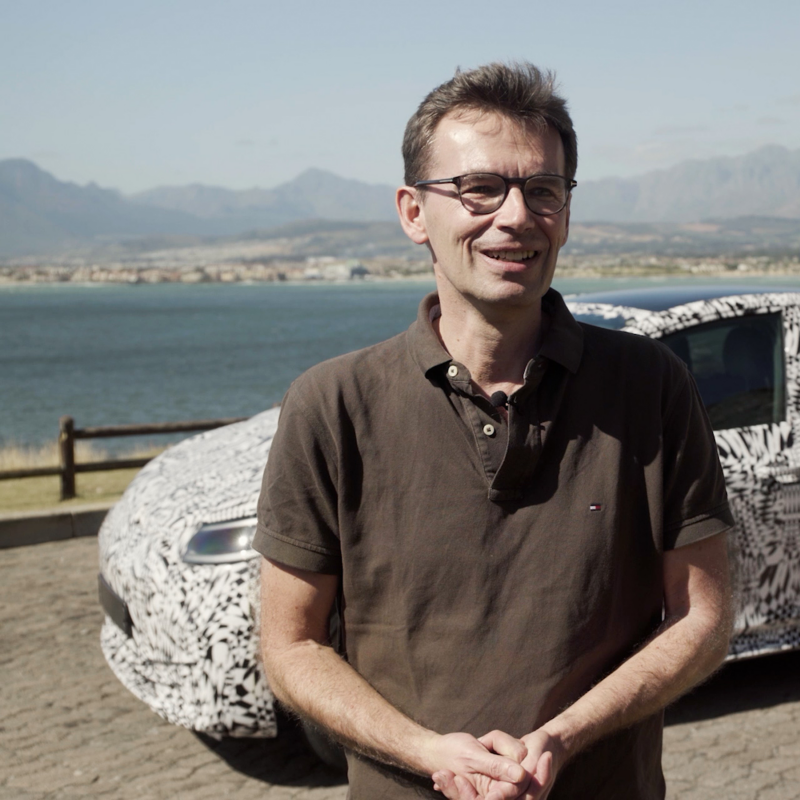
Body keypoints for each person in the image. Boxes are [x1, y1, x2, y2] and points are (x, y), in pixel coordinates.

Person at [254, 62, 734, 800]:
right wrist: (427, 753)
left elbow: (701, 616)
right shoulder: (331, 404)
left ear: (567, 213)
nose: (515, 216)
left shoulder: (650, 385)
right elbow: (290, 645)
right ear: (414, 212)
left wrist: (562, 738)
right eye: (480, 188)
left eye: (543, 190)